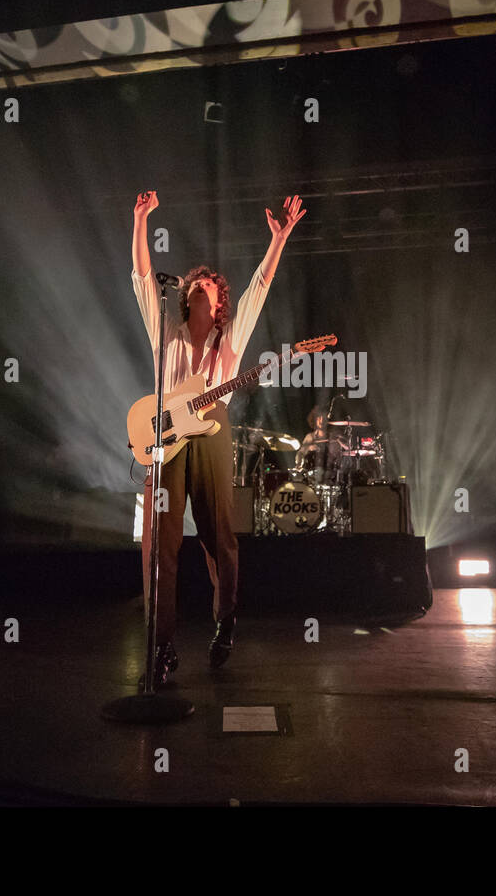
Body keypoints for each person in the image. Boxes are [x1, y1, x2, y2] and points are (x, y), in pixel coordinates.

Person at [131, 190, 305, 686]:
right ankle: (161, 647)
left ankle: (224, 622)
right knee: (159, 543)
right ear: (186, 293)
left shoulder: (228, 340)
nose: (202, 285)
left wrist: (280, 238)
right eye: (197, 282)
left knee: (217, 536)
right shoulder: (165, 324)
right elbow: (143, 278)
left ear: (219, 299)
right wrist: (140, 220)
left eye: (210, 284)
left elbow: (260, 286)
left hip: (211, 429)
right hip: (166, 433)